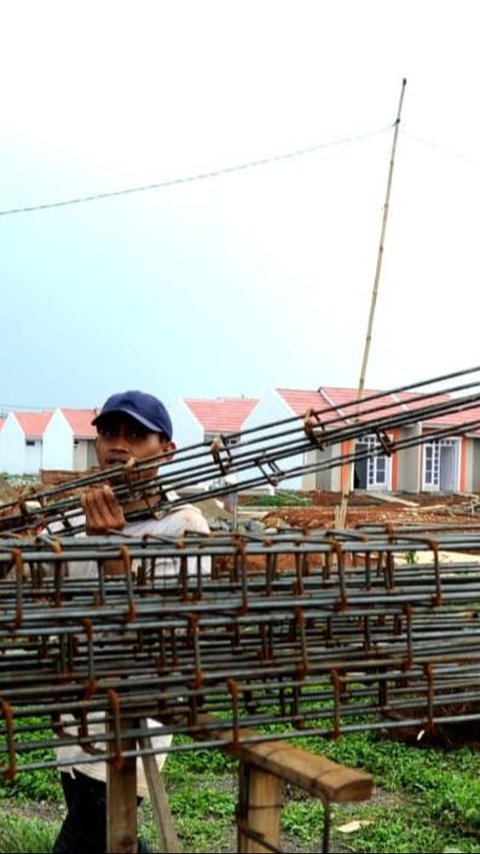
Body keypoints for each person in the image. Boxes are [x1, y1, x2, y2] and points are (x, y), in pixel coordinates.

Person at [52, 390, 210, 854]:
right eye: (109, 433)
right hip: (73, 714)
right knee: (110, 841)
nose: (118, 444)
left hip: (131, 720)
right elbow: (36, 579)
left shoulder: (183, 526)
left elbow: (166, 633)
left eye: (136, 434)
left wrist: (113, 548)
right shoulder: (70, 516)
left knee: (83, 840)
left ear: (166, 451)